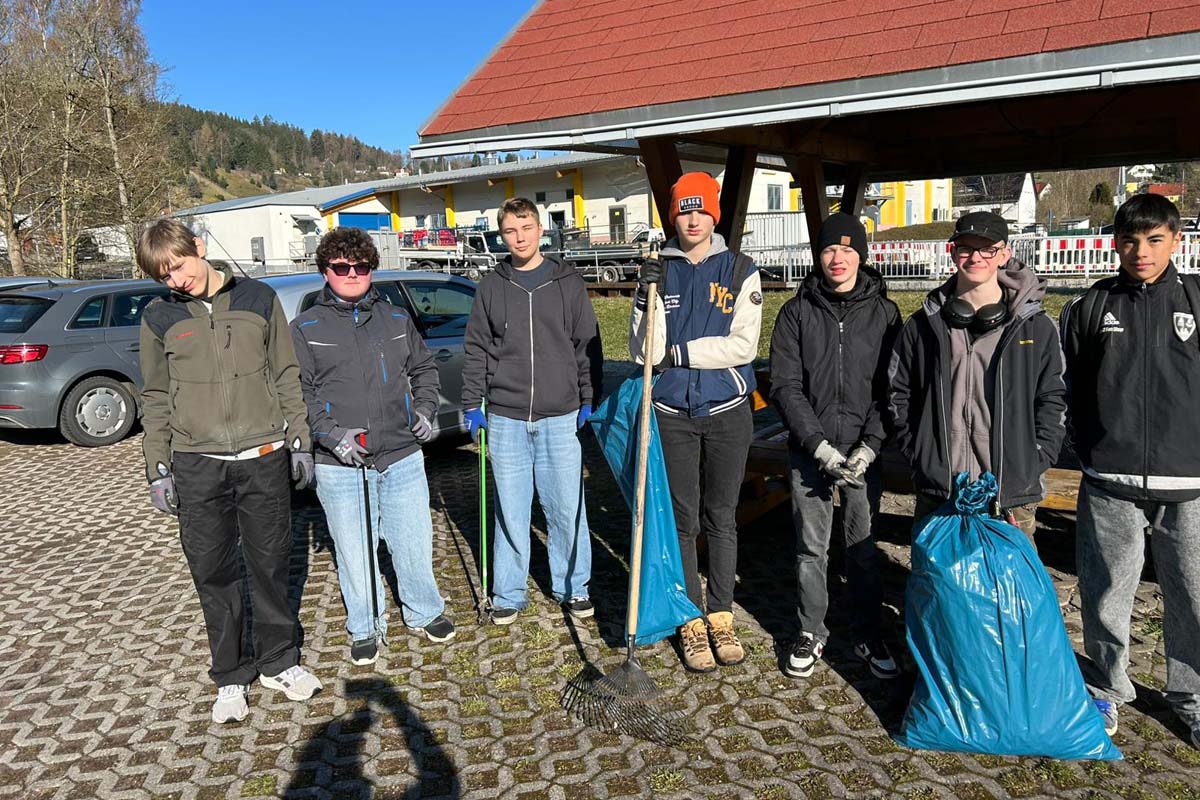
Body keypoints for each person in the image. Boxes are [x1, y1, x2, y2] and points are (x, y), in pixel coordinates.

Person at [137, 219, 321, 724]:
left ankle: (278, 661)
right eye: (163, 276)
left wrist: (299, 438)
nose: (176, 280)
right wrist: (157, 466)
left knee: (271, 564)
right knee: (213, 572)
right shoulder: (159, 316)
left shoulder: (259, 299)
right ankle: (231, 674)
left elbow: (285, 373)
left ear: (198, 248)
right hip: (197, 464)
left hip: (263, 456)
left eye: (178, 266)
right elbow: (155, 395)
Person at [1060, 193, 1200, 746]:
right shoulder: (1091, 305)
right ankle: (1107, 687)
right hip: (1109, 481)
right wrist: (1090, 449)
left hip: (1188, 483)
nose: (1141, 251)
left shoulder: (1196, 299)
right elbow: (1069, 386)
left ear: (1176, 240)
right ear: (1115, 244)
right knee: (1106, 592)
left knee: (1192, 596)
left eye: (1154, 239)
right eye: (1130, 241)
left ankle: (1191, 698)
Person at [291, 228, 455, 666]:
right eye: (341, 267)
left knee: (413, 541)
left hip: (402, 454)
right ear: (325, 271)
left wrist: (425, 410)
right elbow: (299, 393)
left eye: (360, 266)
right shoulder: (305, 328)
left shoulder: (396, 318)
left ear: (371, 270)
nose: (351, 274)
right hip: (341, 464)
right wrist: (330, 435)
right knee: (354, 550)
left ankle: (425, 610)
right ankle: (365, 626)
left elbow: (424, 370)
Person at [630, 171, 763, 673]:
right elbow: (644, 352)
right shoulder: (658, 271)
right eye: (684, 212)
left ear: (714, 215)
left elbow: (742, 346)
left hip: (727, 412)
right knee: (683, 520)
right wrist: (643, 300)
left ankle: (721, 613)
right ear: (673, 217)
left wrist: (680, 353)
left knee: (721, 517)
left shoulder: (740, 269)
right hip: (671, 415)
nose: (692, 220)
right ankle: (690, 617)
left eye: (701, 210)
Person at [769, 213, 902, 681]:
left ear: (861, 255)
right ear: (818, 256)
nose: (837, 258)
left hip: (864, 452)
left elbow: (892, 388)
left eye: (847, 249)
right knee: (811, 548)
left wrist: (870, 445)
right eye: (829, 249)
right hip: (812, 452)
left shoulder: (885, 314)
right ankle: (811, 630)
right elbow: (785, 385)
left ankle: (867, 631)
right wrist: (818, 446)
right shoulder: (796, 312)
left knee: (862, 547)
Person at [460, 197, 604, 625]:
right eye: (510, 231)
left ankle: (573, 587)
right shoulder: (492, 286)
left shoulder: (567, 282)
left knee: (566, 508)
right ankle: (508, 592)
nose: (519, 238)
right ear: (501, 235)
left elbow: (586, 343)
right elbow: (476, 349)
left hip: (560, 416)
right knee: (511, 509)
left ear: (541, 230)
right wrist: (471, 403)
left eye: (526, 228)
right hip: (506, 417)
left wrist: (589, 396)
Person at [889, 210, 1066, 549]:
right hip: (941, 486)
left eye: (987, 249)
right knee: (940, 580)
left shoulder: (1036, 326)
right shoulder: (923, 325)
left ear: (1004, 253)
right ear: (952, 252)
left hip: (1010, 488)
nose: (975, 258)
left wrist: (1034, 459)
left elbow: (1054, 397)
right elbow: (899, 392)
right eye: (966, 248)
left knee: (1010, 582)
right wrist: (920, 453)